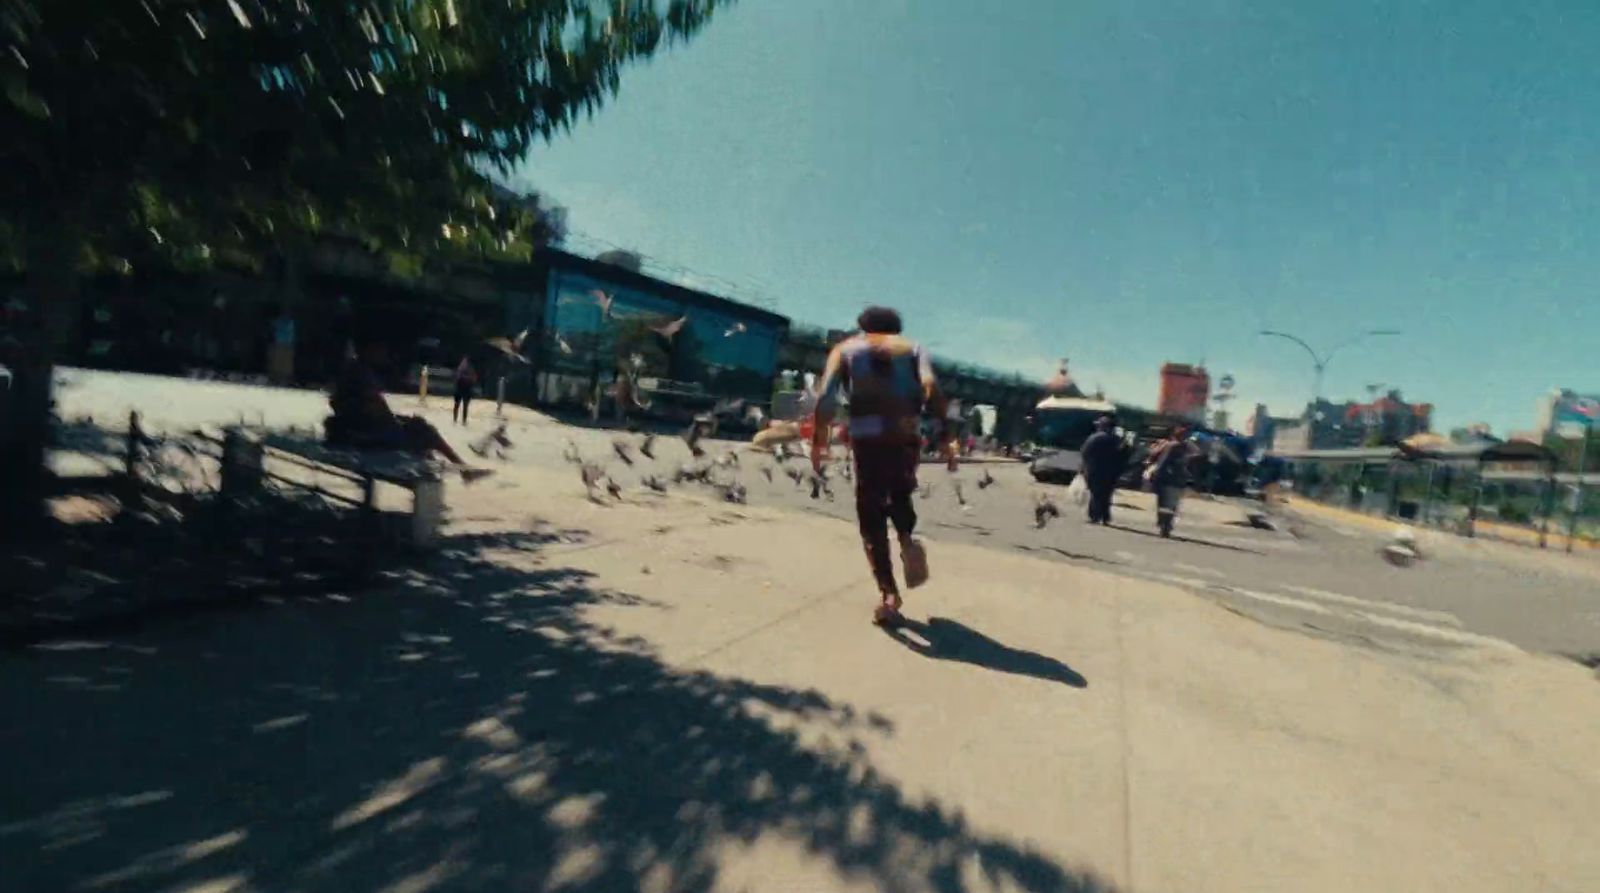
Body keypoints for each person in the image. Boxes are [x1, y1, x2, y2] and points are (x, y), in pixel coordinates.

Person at [812, 306, 956, 625]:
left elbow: (826, 399)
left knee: (870, 512)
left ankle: (889, 594)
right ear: (897, 328)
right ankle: (906, 537)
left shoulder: (846, 349)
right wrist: (946, 436)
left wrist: (819, 443)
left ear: (862, 327)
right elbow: (932, 389)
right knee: (901, 491)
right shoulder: (913, 349)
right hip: (906, 436)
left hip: (867, 439)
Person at [326, 336, 492, 483]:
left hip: (358, 430)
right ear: (370, 349)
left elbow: (353, 405)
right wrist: (399, 422)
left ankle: (459, 469)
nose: (384, 353)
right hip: (368, 436)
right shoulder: (361, 375)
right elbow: (375, 411)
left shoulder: (352, 370)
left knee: (419, 429)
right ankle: (462, 469)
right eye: (381, 349)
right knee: (425, 431)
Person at [1144, 425, 1196, 537]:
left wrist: (1155, 474)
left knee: (1164, 504)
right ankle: (1166, 525)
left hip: (1168, 479)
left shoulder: (1173, 446)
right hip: (1177, 480)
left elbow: (1163, 462)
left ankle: (1164, 525)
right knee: (1171, 505)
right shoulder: (1184, 447)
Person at [1079, 415, 1125, 525]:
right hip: (1111, 472)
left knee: (1096, 494)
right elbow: (1123, 454)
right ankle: (1105, 517)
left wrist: (1084, 467)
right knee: (1107, 495)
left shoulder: (1094, 438)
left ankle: (1094, 516)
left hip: (1095, 470)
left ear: (1102, 426)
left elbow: (1084, 452)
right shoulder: (1117, 439)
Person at [452, 356, 478, 425]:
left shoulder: (464, 369)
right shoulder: (463, 369)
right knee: (460, 405)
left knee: (462, 406)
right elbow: (473, 379)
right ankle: (459, 420)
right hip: (462, 389)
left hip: (464, 389)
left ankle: (460, 420)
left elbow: (473, 379)